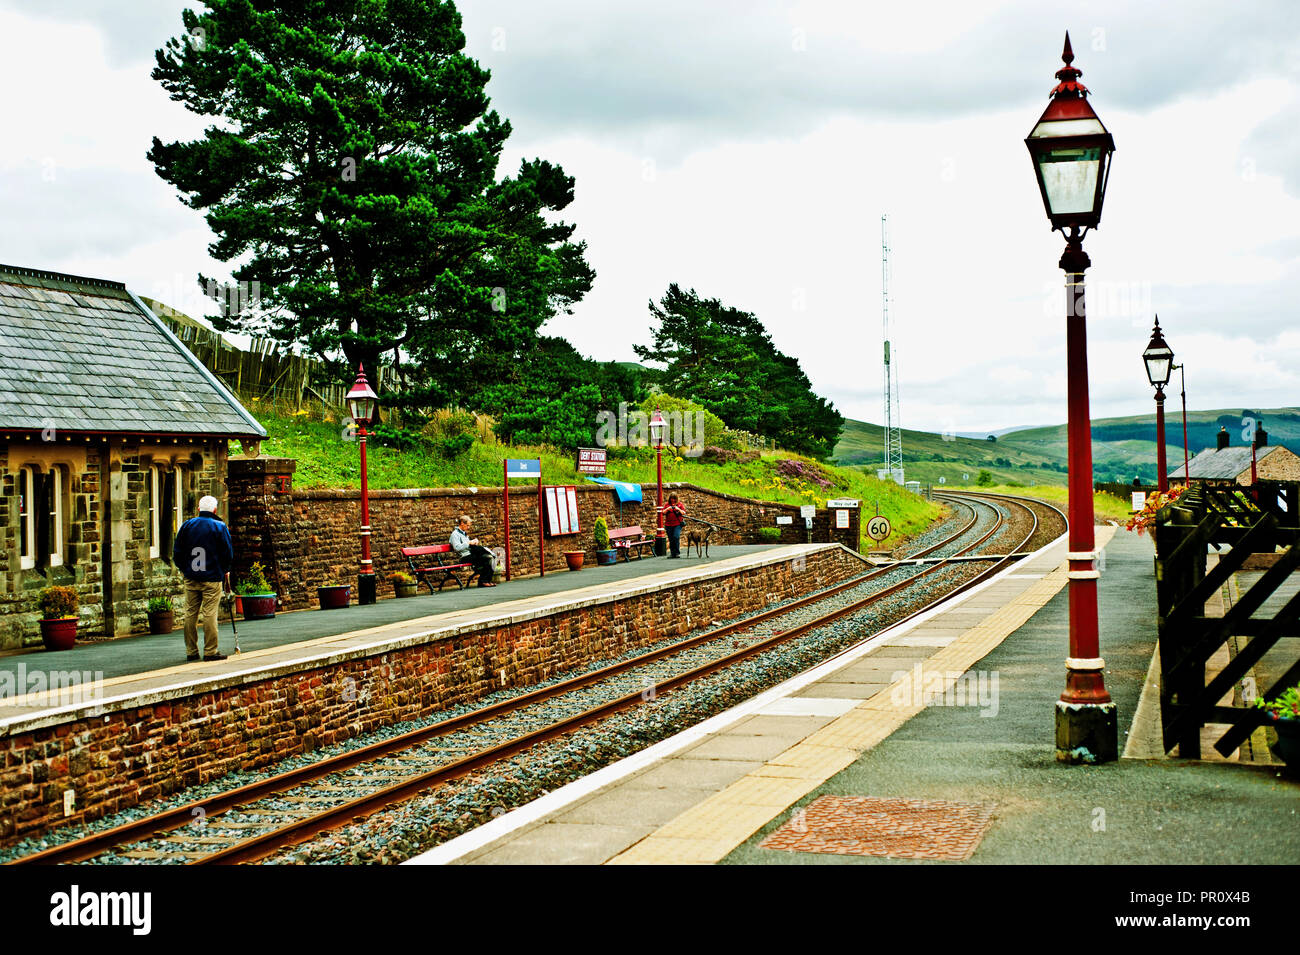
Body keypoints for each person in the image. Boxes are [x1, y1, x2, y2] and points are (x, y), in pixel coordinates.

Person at [172, 495, 234, 662]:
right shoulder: (219, 527)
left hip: (191, 575)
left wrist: (184, 569)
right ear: (215, 510)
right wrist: (225, 570)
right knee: (209, 613)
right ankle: (210, 650)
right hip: (212, 576)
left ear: (198, 509)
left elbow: (177, 552)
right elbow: (227, 553)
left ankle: (191, 650)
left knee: (190, 613)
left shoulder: (187, 526)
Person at [450, 515, 497, 587]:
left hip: (471, 554)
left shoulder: (464, 533)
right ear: (462, 523)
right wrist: (468, 543)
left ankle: (486, 580)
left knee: (490, 557)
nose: (468, 528)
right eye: (467, 525)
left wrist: (473, 542)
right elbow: (457, 547)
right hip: (464, 557)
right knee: (487, 558)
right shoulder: (455, 534)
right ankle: (483, 581)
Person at [663, 493, 686, 558]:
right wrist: (668, 509)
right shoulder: (667, 505)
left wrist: (678, 509)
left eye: (674, 499)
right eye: (671, 498)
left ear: (676, 499)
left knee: (676, 536)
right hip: (668, 524)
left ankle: (677, 553)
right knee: (671, 539)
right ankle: (672, 553)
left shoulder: (679, 504)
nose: (672, 500)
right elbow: (663, 512)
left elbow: (683, 512)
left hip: (677, 524)